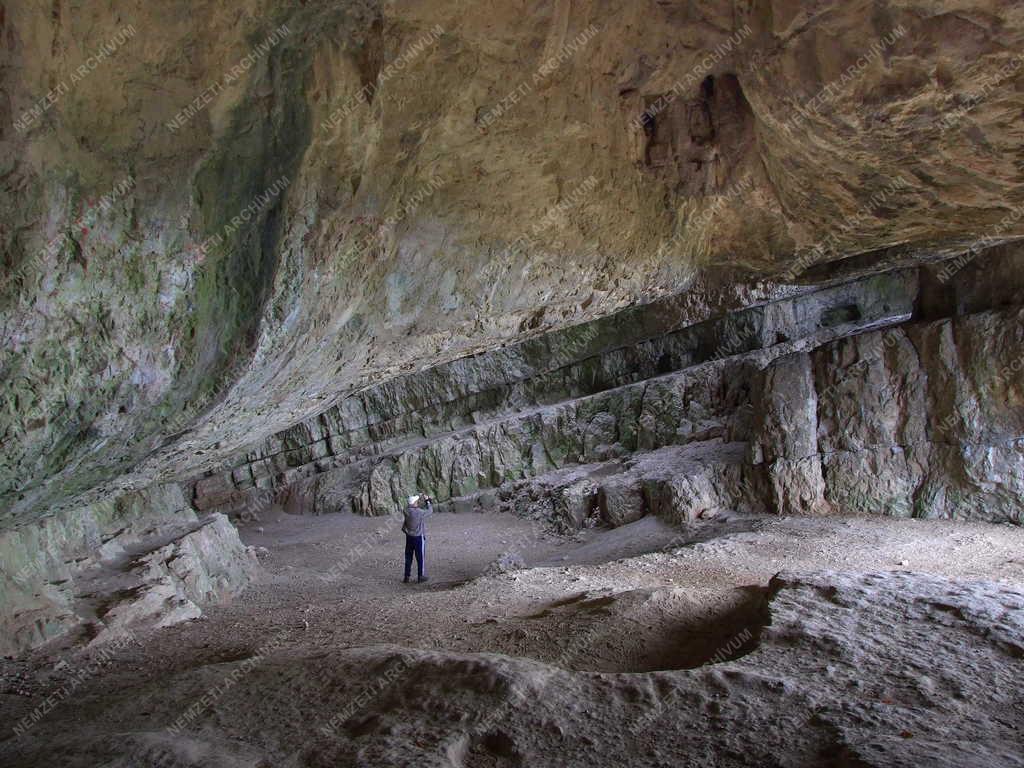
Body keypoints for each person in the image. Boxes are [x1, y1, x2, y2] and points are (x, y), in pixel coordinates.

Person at [402, 493, 433, 583]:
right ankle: (420, 576)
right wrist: (428, 501)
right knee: (420, 558)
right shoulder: (419, 512)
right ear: (415, 503)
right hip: (418, 537)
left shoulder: (406, 511)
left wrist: (418, 496)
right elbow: (430, 511)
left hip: (409, 537)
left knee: (408, 557)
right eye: (417, 501)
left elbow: (411, 505)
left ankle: (406, 576)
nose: (418, 502)